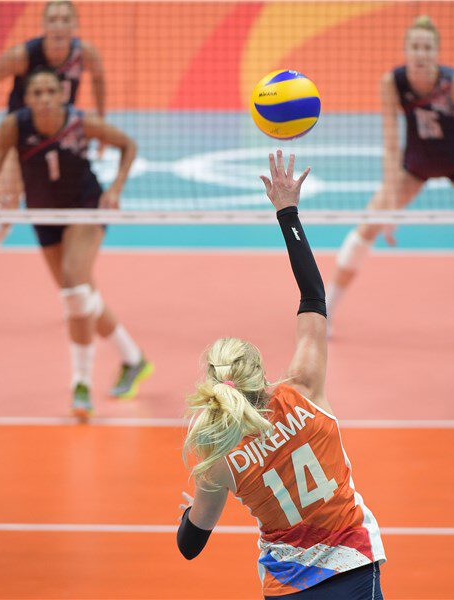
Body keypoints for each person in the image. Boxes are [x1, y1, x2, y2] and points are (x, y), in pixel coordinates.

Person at [176, 150, 385, 599]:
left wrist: (189, 516)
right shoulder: (303, 388)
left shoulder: (216, 458)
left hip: (287, 586)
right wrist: (287, 212)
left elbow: (190, 545)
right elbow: (313, 294)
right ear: (259, 373)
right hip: (353, 566)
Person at [0, 67, 152, 417]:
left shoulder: (80, 123)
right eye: (36, 93)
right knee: (80, 295)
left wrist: (115, 189)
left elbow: (128, 145)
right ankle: (133, 358)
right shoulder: (14, 126)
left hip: (85, 208)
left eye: (50, 92)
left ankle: (80, 385)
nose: (44, 99)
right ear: (27, 98)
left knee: (73, 283)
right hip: (44, 217)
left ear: (62, 95)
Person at [0, 0, 106, 331]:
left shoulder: (85, 55)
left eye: (65, 19)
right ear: (44, 24)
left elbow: (99, 79)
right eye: (53, 18)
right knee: (3, 216)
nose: (59, 25)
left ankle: (78, 295)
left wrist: (102, 122)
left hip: (60, 141)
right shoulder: (23, 56)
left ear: (74, 24)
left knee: (72, 213)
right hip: (21, 141)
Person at [326, 15, 454, 324]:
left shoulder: (453, 84)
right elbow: (391, 144)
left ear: (436, 52)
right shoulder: (392, 83)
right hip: (415, 167)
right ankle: (325, 310)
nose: (421, 53)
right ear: (405, 50)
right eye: (415, 47)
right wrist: (391, 203)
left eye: (427, 47)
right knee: (368, 226)